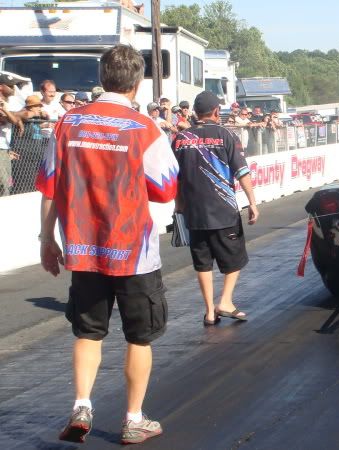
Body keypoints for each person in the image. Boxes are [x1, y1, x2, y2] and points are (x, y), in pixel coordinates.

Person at [36, 44, 179, 445]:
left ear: (102, 78)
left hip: (83, 249)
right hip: (133, 251)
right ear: (137, 84)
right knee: (140, 336)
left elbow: (50, 185)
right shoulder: (145, 128)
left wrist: (47, 238)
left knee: (88, 332)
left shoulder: (67, 123)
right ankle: (133, 418)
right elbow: (166, 188)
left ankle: (81, 405)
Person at [172, 90, 259, 325]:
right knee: (235, 258)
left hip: (194, 212)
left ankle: (210, 311)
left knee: (203, 262)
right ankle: (226, 301)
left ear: (195, 112)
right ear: (216, 111)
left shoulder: (180, 139)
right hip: (223, 210)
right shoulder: (226, 135)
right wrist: (252, 202)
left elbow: (174, 178)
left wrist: (179, 206)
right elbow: (242, 172)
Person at [0, 74, 23, 196]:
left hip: (5, 149)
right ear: (1, 87)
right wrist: (8, 112)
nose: (13, 89)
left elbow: (17, 117)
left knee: (9, 183)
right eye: (10, 86)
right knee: (3, 184)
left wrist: (18, 120)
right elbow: (11, 120)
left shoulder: (7, 103)